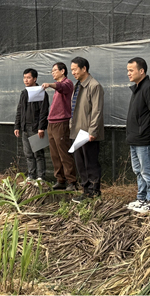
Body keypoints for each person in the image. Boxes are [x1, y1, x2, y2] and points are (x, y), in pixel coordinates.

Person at [125, 57, 150, 213]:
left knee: (148, 170)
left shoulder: (148, 88)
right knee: (138, 171)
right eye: (127, 70)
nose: (128, 73)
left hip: (145, 138)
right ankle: (141, 198)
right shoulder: (138, 88)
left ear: (141, 71)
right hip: (135, 137)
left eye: (131, 70)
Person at [68, 57, 104, 202]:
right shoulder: (78, 85)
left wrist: (92, 131)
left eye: (75, 69)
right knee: (80, 163)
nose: (73, 73)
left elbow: (97, 111)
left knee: (91, 162)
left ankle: (94, 191)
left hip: (87, 132)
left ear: (84, 69)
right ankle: (86, 190)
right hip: (77, 131)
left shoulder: (94, 86)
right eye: (71, 70)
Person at [41, 62, 78, 191]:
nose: (53, 73)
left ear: (63, 71)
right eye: (52, 71)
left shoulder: (67, 83)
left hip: (61, 122)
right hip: (51, 123)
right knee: (54, 154)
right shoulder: (58, 87)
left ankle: (72, 182)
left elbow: (61, 87)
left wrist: (49, 85)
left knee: (64, 153)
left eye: (55, 70)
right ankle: (60, 180)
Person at [14, 68, 49, 185]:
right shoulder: (24, 93)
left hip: (35, 128)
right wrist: (17, 126)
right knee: (28, 154)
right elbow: (19, 110)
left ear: (35, 79)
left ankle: (41, 177)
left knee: (38, 153)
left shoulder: (41, 92)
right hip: (24, 128)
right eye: (24, 78)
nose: (26, 80)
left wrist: (41, 127)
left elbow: (44, 111)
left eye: (28, 78)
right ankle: (31, 176)